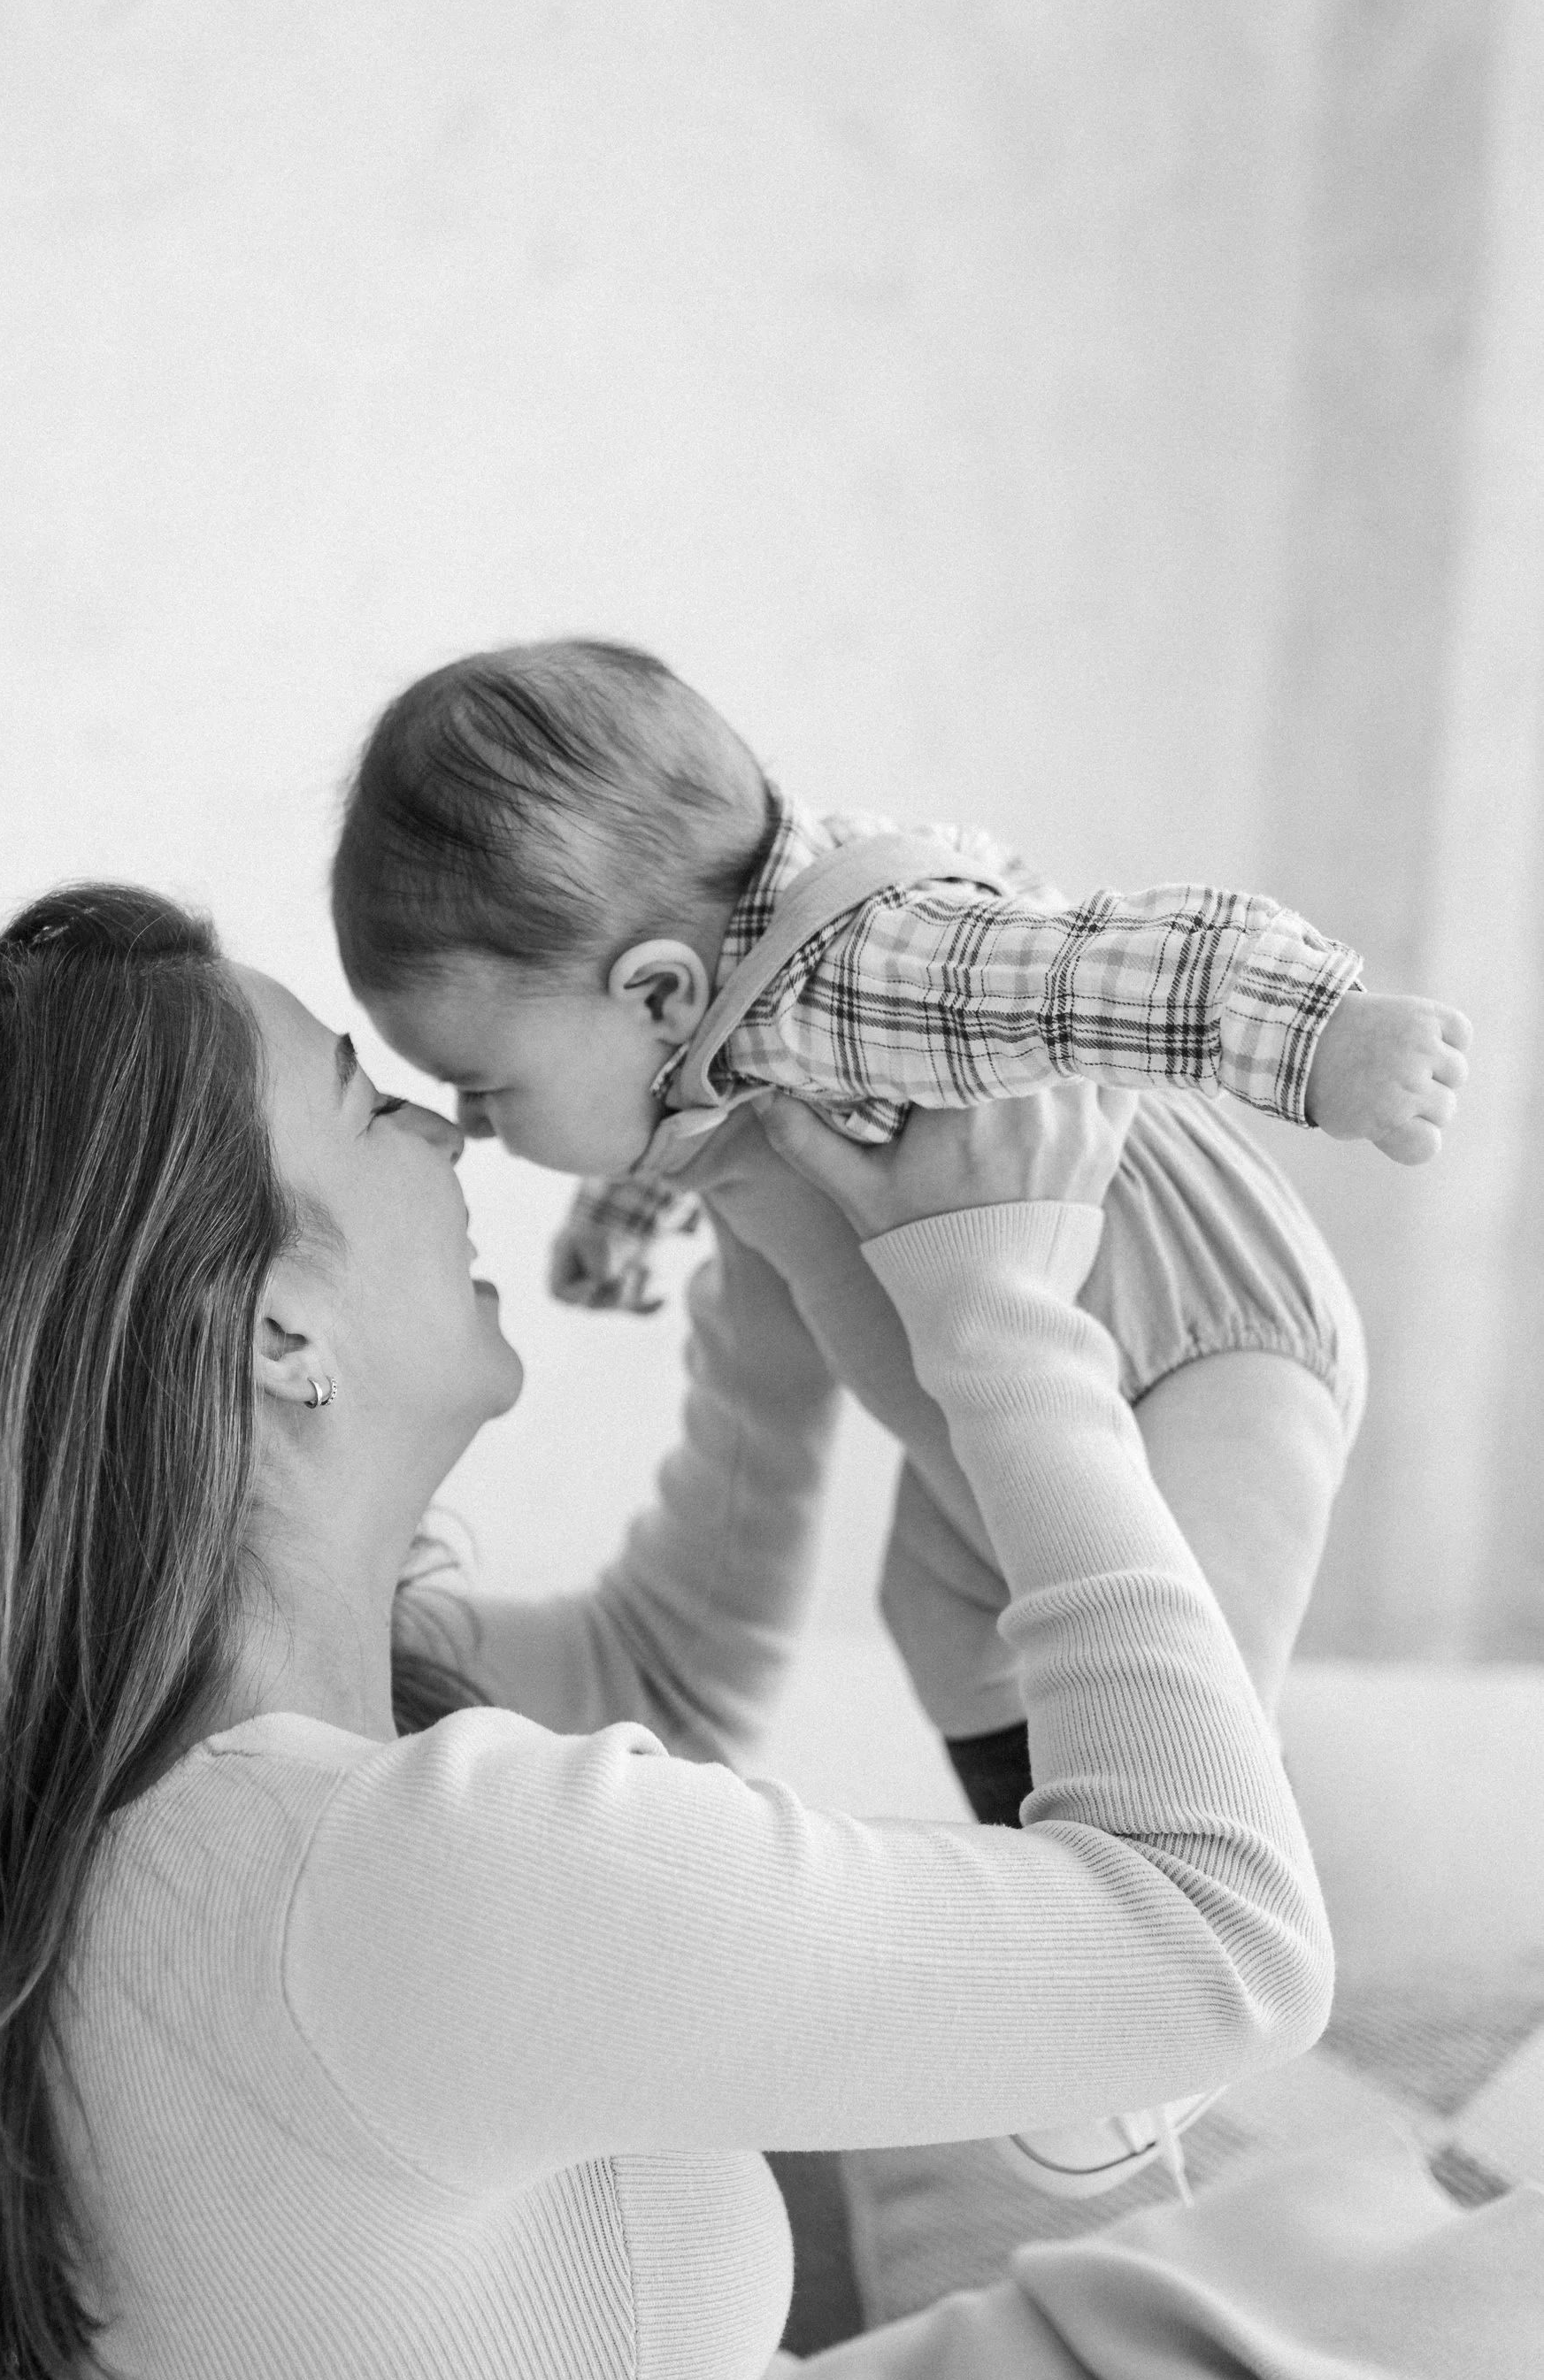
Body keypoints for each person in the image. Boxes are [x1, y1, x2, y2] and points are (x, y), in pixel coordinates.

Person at [0, 885, 1542, 2380]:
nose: (450, 1134)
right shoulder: (391, 1881)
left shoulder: (170, 1841)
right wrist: (1003, 1316)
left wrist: (774, 1248)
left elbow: (674, 1673)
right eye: (364, 1100)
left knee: (1372, 2246)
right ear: (267, 1327)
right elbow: (1216, 1945)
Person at [330, 638, 1471, 2190]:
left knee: (1184, 1664)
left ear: (661, 990)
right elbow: (686, 1157)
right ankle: (1063, 1893)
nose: (468, 1133)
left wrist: (1327, 1036)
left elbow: (1114, 964)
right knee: (930, 1594)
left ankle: (1157, 2022)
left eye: (483, 1091)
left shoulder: (871, 972)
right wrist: (619, 1235)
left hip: (1204, 1345)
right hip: (1015, 1426)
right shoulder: (702, 1060)